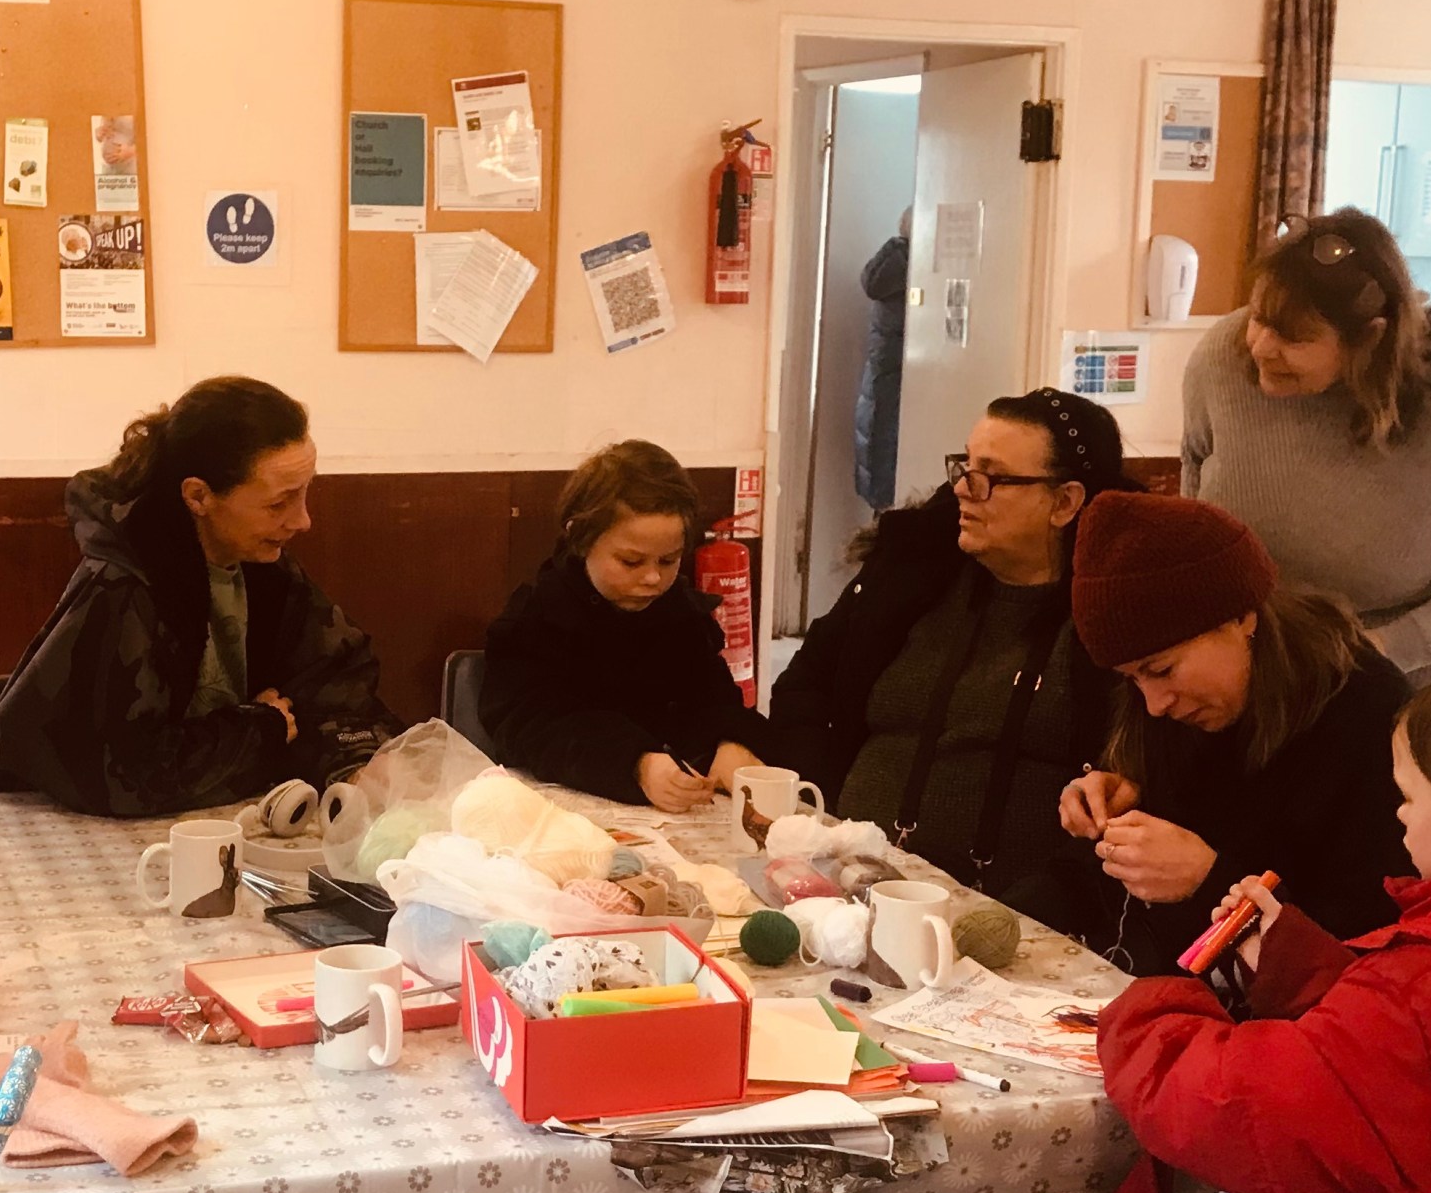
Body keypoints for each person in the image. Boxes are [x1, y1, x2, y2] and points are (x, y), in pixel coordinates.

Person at [1057, 678, 1431, 1193]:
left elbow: (1231, 1111)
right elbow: (1381, 1078)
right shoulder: (1413, 979)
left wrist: (1149, 1009)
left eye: (1410, 796)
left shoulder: (1416, 991)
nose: (1398, 816)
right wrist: (1300, 967)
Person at [760, 388, 1129, 904]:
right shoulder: (911, 575)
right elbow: (804, 686)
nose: (961, 489)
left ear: (1064, 502)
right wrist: (822, 814)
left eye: (991, 477)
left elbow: (1134, 784)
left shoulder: (1113, 620)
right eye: (965, 466)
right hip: (841, 883)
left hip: (1020, 912)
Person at [0, 376, 396, 816]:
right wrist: (260, 729)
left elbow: (333, 684)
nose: (303, 520)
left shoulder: (266, 569)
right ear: (198, 496)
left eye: (306, 493)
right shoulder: (125, 585)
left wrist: (352, 762)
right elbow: (126, 773)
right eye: (278, 504)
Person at [1059, 491, 1411, 977]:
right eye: (1132, 679)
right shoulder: (1170, 710)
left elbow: (1371, 944)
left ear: (1241, 616)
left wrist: (1208, 881)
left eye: (1161, 670)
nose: (1154, 705)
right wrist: (1120, 808)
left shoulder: (1368, 713)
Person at [1182, 208, 1431, 685]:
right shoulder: (1221, 358)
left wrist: (1375, 651)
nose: (1260, 346)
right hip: (1247, 659)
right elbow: (1194, 482)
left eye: (1293, 337)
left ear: (1370, 338)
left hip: (1391, 679)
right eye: (1258, 318)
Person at [481, 440, 779, 809]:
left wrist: (729, 742)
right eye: (631, 562)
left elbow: (714, 700)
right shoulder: (538, 619)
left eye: (668, 561)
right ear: (582, 540)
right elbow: (531, 726)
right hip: (564, 810)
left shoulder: (682, 616)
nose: (653, 578)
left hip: (673, 812)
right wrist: (634, 764)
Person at [853, 207, 911, 510]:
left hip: (883, 389)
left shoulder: (890, 270)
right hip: (894, 390)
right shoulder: (908, 271)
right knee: (891, 498)